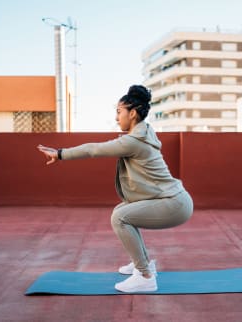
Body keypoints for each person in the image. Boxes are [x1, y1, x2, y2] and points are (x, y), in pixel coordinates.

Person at [37, 85, 194, 293]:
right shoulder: (144, 132)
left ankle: (145, 276)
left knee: (120, 218)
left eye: (119, 112)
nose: (116, 117)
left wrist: (60, 153)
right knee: (122, 211)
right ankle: (144, 264)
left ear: (133, 113)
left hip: (174, 204)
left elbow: (93, 149)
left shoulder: (134, 142)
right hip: (174, 199)